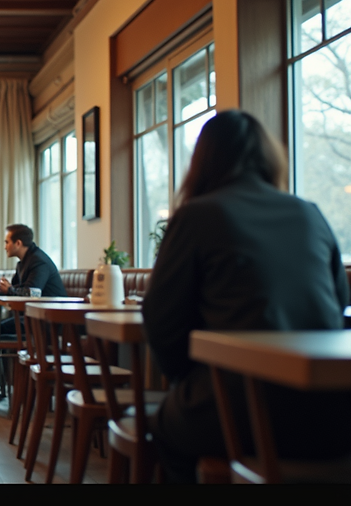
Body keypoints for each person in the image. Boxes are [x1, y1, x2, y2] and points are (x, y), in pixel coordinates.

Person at [142, 110, 351, 483]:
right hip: (332, 412)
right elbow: (338, 309)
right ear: (269, 156)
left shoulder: (195, 217)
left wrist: (189, 380)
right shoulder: (311, 214)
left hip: (236, 409)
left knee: (164, 431)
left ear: (202, 161)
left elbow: (161, 319)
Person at [0, 224, 67, 336]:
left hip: (49, 320)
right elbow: (17, 289)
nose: (5, 247)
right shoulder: (23, 262)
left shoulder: (39, 262)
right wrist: (4, 287)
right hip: (35, 315)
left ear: (18, 243)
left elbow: (33, 293)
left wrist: (9, 289)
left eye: (7, 242)